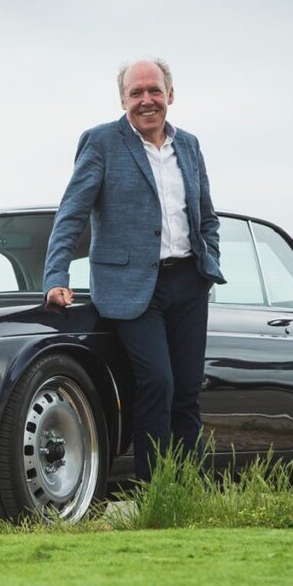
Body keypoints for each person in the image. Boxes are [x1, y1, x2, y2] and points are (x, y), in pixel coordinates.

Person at [43, 58, 226, 481]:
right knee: (157, 384)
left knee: (186, 393)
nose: (147, 100)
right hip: (129, 288)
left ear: (171, 95)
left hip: (188, 282)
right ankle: (155, 490)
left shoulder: (190, 146)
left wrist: (207, 262)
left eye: (154, 91)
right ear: (123, 99)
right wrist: (56, 278)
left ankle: (189, 494)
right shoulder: (102, 142)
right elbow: (72, 213)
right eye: (137, 93)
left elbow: (207, 216)